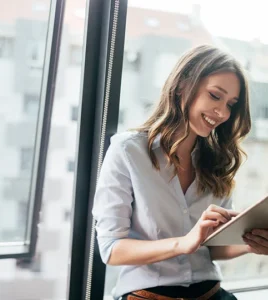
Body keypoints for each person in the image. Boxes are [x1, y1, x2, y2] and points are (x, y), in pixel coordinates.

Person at [92, 45, 268, 300]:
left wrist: (252, 245)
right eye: (215, 95)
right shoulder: (128, 151)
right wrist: (183, 243)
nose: (223, 113)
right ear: (184, 85)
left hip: (212, 294)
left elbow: (212, 248)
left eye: (231, 104)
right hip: (147, 295)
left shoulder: (216, 161)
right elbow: (111, 249)